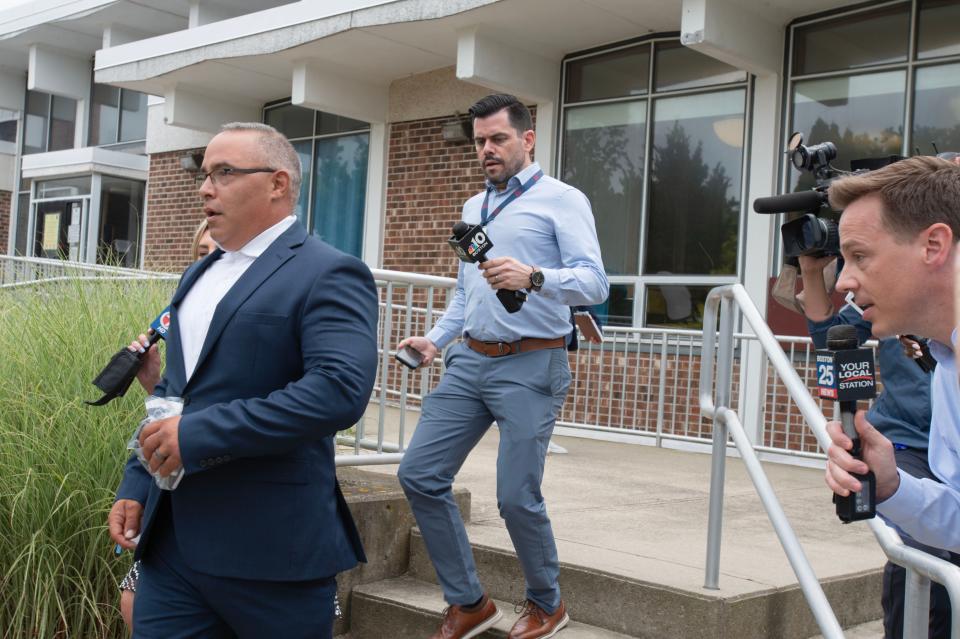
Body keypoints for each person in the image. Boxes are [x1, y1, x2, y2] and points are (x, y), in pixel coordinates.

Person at [107, 122, 379, 638]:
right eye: (205, 174)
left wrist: (200, 434)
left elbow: (338, 390)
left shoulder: (330, 272)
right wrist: (138, 481)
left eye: (224, 173)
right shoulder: (198, 274)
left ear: (278, 183)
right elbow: (171, 395)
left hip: (273, 553)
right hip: (174, 547)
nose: (205, 188)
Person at [396, 94, 608, 639]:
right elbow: (468, 294)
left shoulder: (562, 200)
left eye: (498, 139)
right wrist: (437, 341)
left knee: (516, 496)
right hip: (469, 361)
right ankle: (468, 602)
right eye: (480, 142)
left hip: (533, 364)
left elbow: (594, 283)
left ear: (527, 139)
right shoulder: (474, 208)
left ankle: (547, 603)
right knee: (418, 475)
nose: (487, 150)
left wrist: (534, 276)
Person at [798, 254, 948, 637]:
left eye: (862, 254)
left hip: (949, 447)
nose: (850, 278)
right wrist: (813, 272)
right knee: (920, 554)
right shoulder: (890, 301)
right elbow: (828, 338)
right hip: (906, 443)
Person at [824, 155, 960, 566]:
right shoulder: (945, 365)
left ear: (933, 245)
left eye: (860, 256)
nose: (844, 281)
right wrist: (892, 486)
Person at [117, 218, 218, 632]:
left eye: (219, 253)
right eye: (202, 253)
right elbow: (171, 408)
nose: (210, 262)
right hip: (174, 505)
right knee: (132, 601)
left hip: (246, 517)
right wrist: (154, 384)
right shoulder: (184, 320)